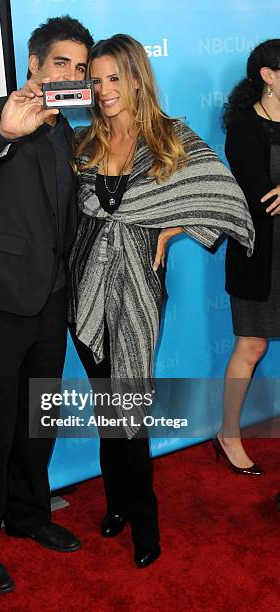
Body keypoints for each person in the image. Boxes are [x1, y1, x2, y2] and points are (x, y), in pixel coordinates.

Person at [68, 34, 255, 569]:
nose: (103, 89)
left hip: (139, 292)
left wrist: (171, 230)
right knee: (109, 406)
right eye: (95, 79)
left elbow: (223, 196)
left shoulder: (170, 139)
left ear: (136, 78)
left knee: (132, 404)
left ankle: (144, 520)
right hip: (84, 291)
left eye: (113, 78)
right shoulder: (83, 143)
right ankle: (116, 503)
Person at [0, 16, 94, 594]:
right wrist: (6, 132)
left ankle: (28, 514)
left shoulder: (72, 131)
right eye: (61, 62)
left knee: (38, 419)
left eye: (80, 68)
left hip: (51, 297)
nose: (71, 75)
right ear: (33, 65)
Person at [214, 39, 280, 475]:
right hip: (262, 254)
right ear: (268, 75)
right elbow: (262, 198)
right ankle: (229, 433)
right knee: (252, 345)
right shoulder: (243, 125)